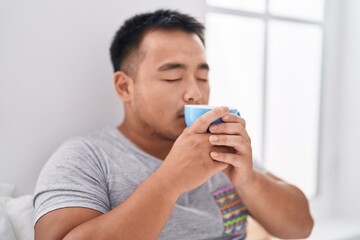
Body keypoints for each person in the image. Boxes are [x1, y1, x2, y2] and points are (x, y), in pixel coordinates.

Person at [33, 9, 313, 240]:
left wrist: (248, 179)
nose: (195, 92)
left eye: (202, 77)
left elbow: (301, 227)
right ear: (124, 87)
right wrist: (169, 182)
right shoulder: (84, 157)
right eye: (172, 78)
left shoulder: (219, 146)